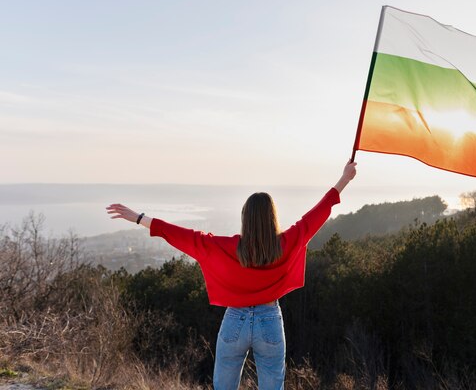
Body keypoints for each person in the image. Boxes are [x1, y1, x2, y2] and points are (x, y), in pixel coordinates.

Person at [105, 161, 357, 390]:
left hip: (235, 320)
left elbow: (185, 236)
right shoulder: (287, 242)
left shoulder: (226, 247)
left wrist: (139, 218)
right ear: (272, 218)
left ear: (245, 219)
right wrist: (344, 179)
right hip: (269, 319)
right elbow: (317, 214)